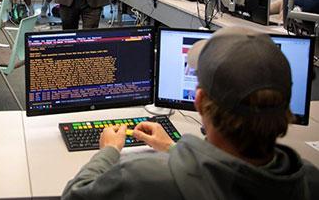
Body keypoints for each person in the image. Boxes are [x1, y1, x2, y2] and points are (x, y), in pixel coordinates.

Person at [62, 27, 319, 200]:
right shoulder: (309, 177)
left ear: (199, 100)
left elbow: (74, 194)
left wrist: (108, 151)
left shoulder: (143, 178)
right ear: (287, 106)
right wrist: (173, 148)